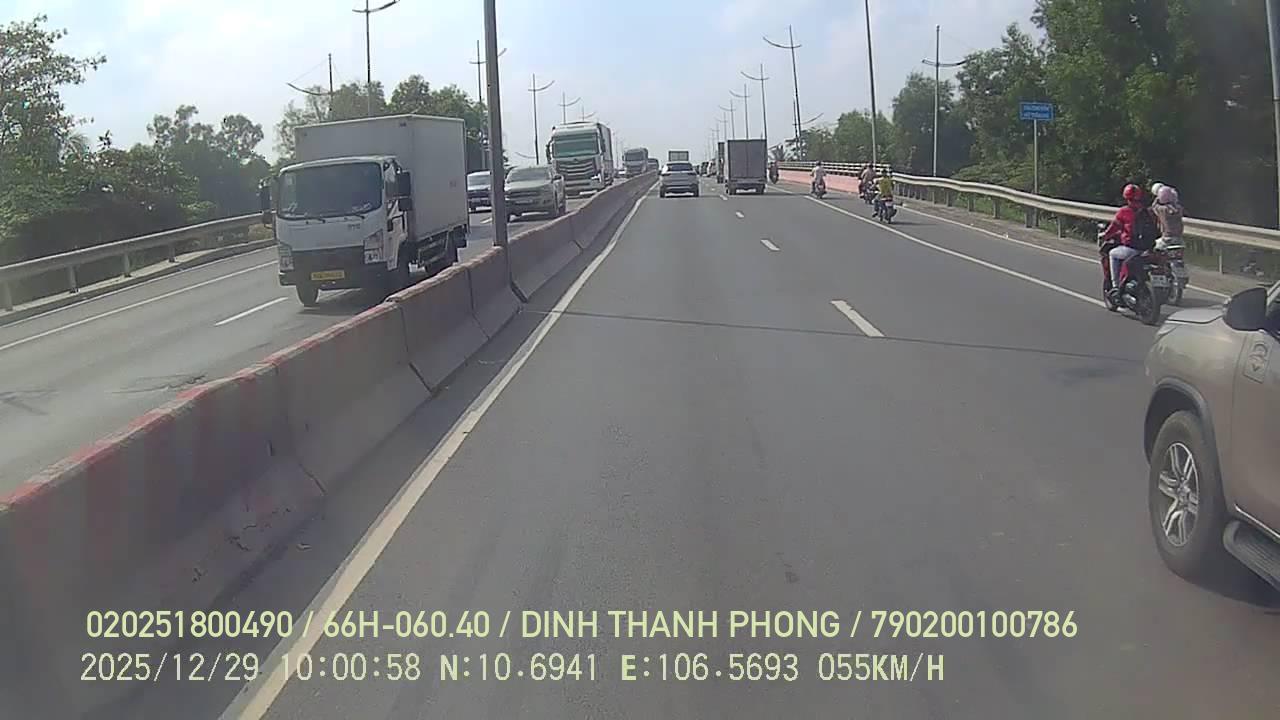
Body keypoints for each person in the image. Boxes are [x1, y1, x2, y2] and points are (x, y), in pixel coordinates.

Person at [1101, 183, 1160, 298]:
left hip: (1132, 249)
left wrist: (1105, 236)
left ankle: (1116, 286)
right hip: (1148, 249)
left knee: (1112, 254)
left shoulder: (1124, 211)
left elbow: (1114, 227)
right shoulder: (1148, 212)